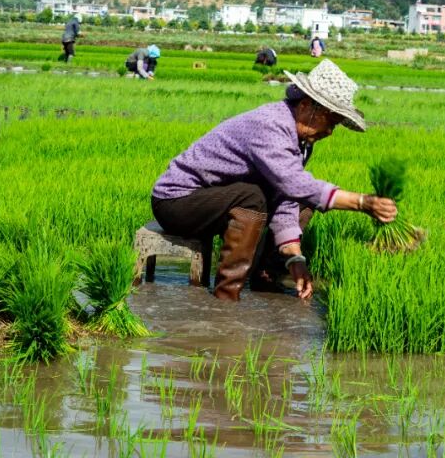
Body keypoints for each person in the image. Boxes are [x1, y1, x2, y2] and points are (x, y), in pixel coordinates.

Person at [151, 59, 397, 302]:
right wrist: (362, 202)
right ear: (306, 106)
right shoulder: (270, 125)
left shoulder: (299, 142)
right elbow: (293, 183)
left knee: (302, 202)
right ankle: (226, 300)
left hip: (216, 201)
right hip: (177, 202)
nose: (330, 132)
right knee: (252, 197)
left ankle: (266, 278)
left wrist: (294, 256)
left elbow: (288, 196)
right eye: (330, 121)